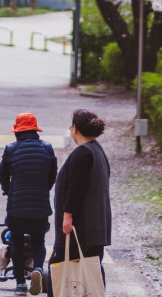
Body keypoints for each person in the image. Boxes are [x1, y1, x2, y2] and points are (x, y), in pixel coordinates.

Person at [49, 109, 112, 292]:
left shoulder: (82, 154)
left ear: (75, 129)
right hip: (96, 226)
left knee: (60, 266)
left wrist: (67, 216)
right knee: (91, 271)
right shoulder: (97, 151)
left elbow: (77, 188)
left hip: (80, 225)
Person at [0, 113, 57, 296]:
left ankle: (21, 285)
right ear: (35, 130)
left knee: (15, 242)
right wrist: (43, 189)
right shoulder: (47, 148)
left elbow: (3, 174)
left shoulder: (11, 149)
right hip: (40, 205)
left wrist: (8, 190)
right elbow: (52, 174)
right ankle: (38, 269)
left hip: (17, 206)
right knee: (39, 241)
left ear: (17, 132)